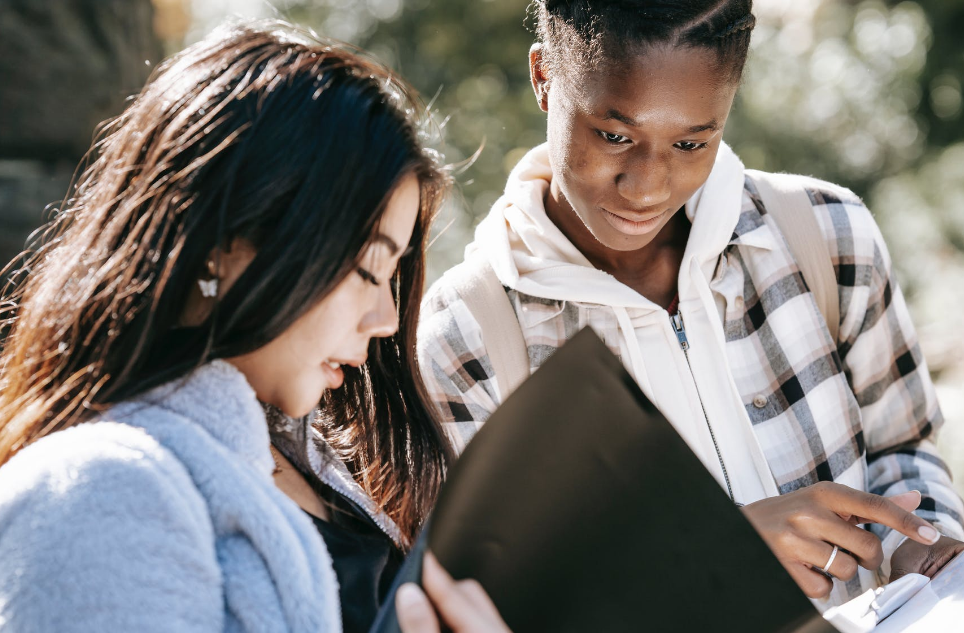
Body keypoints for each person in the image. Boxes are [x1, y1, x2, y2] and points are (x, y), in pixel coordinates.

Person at [417, 0, 964, 607]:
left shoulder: (827, 233)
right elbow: (494, 603)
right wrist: (715, 555)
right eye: (615, 136)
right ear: (544, 77)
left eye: (690, 143)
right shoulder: (466, 339)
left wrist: (923, 550)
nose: (648, 186)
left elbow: (902, 446)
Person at [0, 20, 508, 633]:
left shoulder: (310, 460)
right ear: (222, 244)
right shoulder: (93, 493)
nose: (387, 320)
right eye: (369, 271)